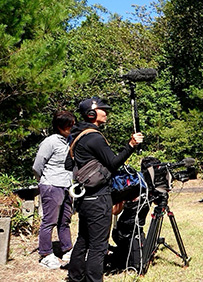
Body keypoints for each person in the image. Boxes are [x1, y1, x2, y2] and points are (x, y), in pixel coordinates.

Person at [66, 97, 143, 282]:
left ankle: (75, 278)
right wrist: (131, 145)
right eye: (103, 110)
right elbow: (114, 163)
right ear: (91, 114)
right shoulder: (94, 137)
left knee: (83, 240)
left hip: (85, 199)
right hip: (98, 198)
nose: (106, 113)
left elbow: (68, 163)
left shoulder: (77, 135)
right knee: (99, 246)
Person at [33, 110, 76, 269]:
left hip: (67, 185)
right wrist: (44, 182)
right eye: (67, 125)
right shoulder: (50, 141)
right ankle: (45, 253)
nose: (70, 127)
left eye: (72, 124)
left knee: (65, 219)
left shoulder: (70, 140)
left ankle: (67, 249)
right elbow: (37, 166)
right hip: (52, 184)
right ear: (58, 126)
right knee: (49, 221)